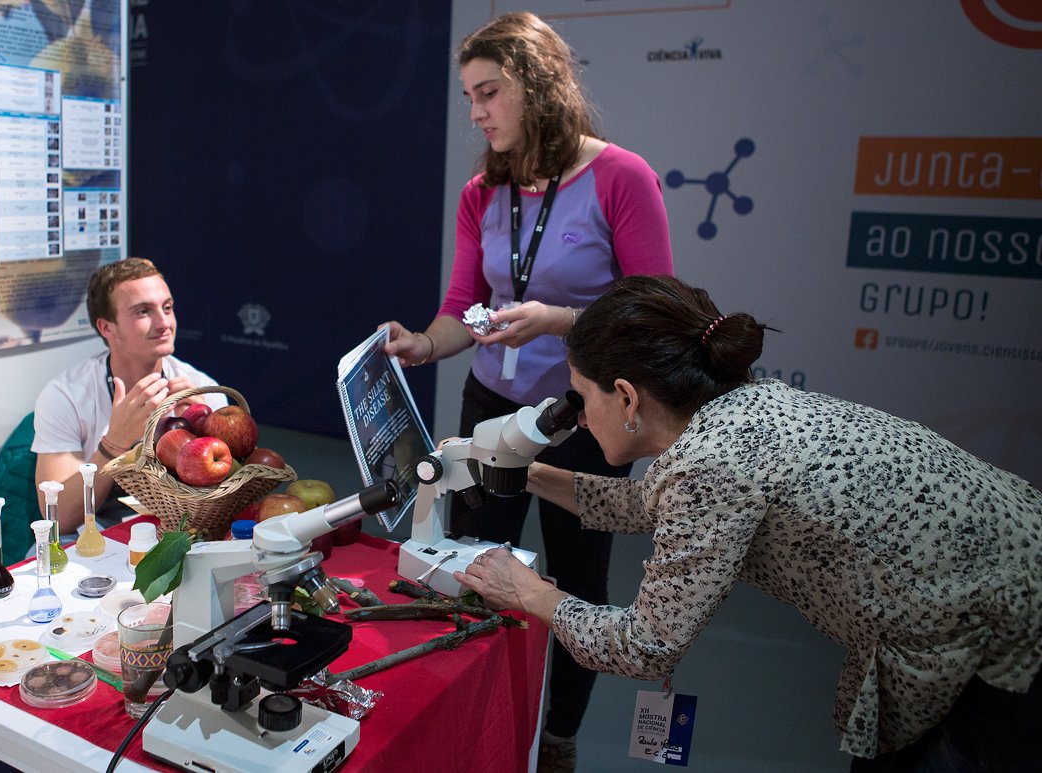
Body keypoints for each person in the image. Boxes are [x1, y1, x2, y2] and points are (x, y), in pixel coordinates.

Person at [456, 274, 1041, 771]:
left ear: (628, 398)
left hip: (1008, 640)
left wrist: (527, 591)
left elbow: (645, 646)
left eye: (581, 398)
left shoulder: (713, 463)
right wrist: (527, 473)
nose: (577, 420)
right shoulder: (738, 407)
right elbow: (658, 508)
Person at [381, 12, 673, 770]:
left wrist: (558, 321)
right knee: (473, 567)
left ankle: (558, 738)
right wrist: (423, 344)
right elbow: (460, 308)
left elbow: (657, 316)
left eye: (489, 93)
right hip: (490, 408)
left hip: (587, 418)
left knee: (575, 585)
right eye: (469, 97)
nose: (477, 113)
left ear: (538, 86)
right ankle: (479, 725)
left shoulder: (621, 177)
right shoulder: (483, 192)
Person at [32, 257, 228, 536]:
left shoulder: (202, 389)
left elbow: (224, 502)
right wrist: (113, 444)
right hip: (97, 536)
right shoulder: (66, 396)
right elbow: (59, 518)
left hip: (180, 530)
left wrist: (201, 431)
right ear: (107, 328)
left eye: (167, 308)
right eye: (143, 312)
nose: (164, 323)